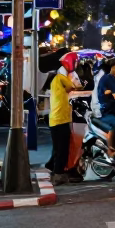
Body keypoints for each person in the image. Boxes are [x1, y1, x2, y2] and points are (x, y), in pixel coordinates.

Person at [46, 52, 81, 183]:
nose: (76, 65)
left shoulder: (59, 76)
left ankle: (52, 167)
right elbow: (74, 87)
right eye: (75, 62)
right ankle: (58, 174)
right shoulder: (61, 77)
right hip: (60, 118)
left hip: (57, 118)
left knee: (58, 148)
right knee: (62, 148)